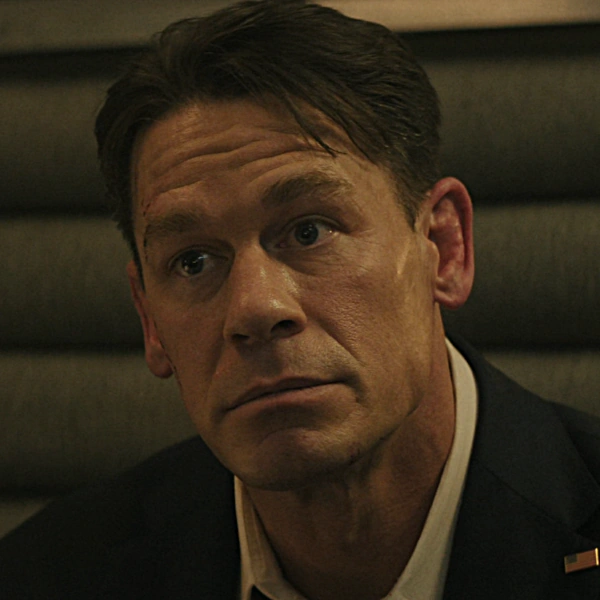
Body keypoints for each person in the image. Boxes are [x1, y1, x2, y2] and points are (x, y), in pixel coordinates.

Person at [1, 1, 599, 598]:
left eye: (310, 231)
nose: (255, 309)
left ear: (443, 249)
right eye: (193, 261)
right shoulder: (49, 576)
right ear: (150, 321)